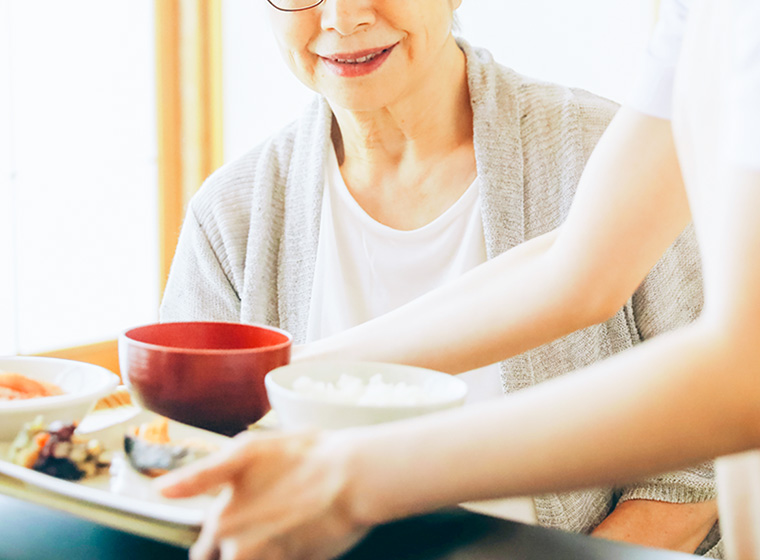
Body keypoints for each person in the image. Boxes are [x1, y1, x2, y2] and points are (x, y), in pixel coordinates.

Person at [156, 0, 737, 557]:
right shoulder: (233, 212)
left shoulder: (590, 137)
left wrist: (355, 478)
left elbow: (734, 380)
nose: (344, 16)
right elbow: (576, 268)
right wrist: (284, 371)